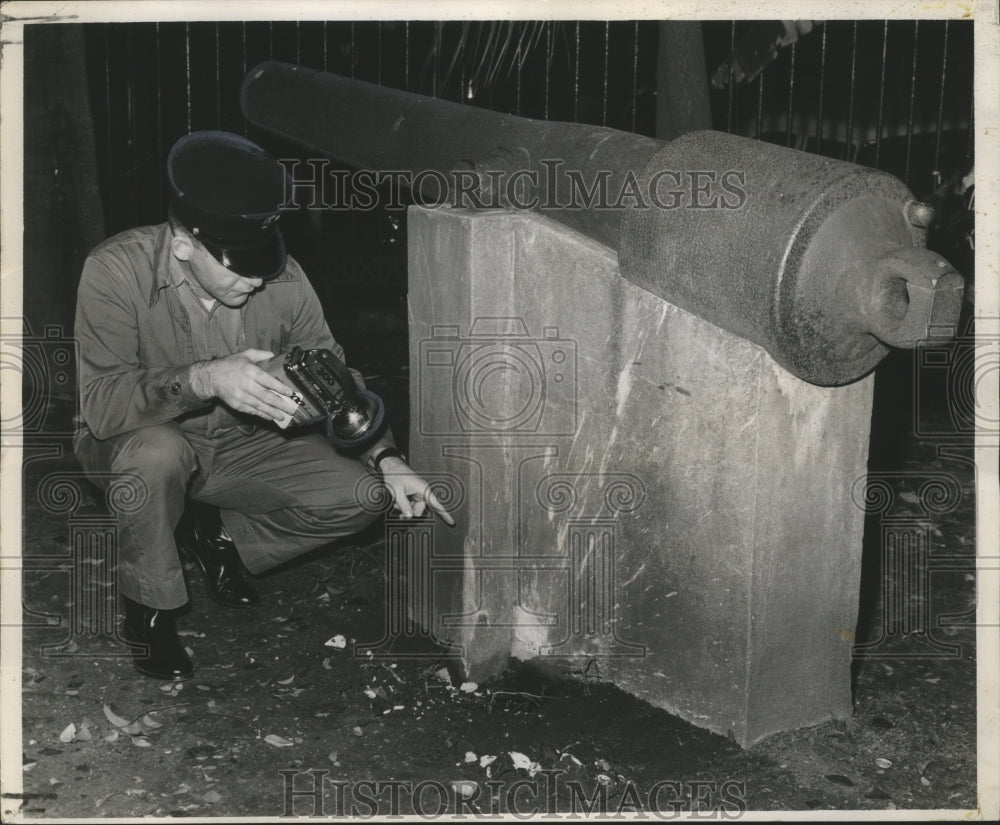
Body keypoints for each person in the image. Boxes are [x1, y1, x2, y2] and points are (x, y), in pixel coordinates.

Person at [73, 130, 453, 681]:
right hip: (135, 441)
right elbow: (104, 407)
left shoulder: (282, 276)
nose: (254, 279)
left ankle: (220, 537)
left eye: (261, 261)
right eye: (236, 265)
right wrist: (205, 378)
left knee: (362, 497)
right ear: (183, 246)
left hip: (242, 444)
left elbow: (336, 374)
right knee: (158, 453)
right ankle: (149, 612)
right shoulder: (115, 272)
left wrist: (386, 457)